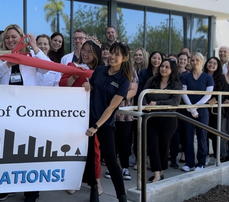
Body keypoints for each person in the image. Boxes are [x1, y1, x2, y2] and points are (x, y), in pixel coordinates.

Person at [0, 24, 48, 202]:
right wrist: (8, 63)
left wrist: (35, 47)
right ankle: (7, 186)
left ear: (21, 38)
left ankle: (31, 191)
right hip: (5, 111)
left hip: (29, 111)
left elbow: (46, 68)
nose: (11, 40)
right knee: (7, 150)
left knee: (29, 151)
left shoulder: (31, 56)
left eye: (14, 37)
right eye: (7, 37)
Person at [83, 42, 132, 202]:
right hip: (88, 121)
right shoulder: (99, 70)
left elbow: (112, 107)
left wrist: (97, 126)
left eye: (117, 54)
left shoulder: (124, 81)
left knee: (111, 159)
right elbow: (93, 86)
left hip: (104, 124)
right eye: (112, 52)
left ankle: (121, 196)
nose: (113, 56)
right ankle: (94, 190)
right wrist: (88, 85)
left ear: (124, 58)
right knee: (90, 158)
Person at [59, 40, 105, 195]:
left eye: (89, 51)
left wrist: (92, 87)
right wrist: (74, 76)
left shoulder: (102, 71)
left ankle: (96, 181)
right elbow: (62, 85)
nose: (85, 53)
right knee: (72, 147)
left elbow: (106, 91)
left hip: (94, 115)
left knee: (94, 149)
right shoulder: (73, 66)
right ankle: (73, 180)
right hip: (74, 114)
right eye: (83, 50)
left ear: (96, 53)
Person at [143, 58, 182, 182]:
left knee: (164, 146)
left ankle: (161, 170)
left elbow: (175, 101)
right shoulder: (152, 80)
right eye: (162, 66)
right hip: (151, 118)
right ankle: (156, 174)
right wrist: (145, 107)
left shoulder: (176, 84)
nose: (163, 69)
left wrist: (157, 103)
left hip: (168, 119)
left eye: (166, 67)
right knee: (153, 146)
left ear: (172, 70)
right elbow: (143, 94)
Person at [180, 52, 214, 172]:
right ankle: (190, 163)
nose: (195, 62)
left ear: (202, 61)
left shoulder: (208, 77)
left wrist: (195, 108)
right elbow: (183, 93)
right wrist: (191, 108)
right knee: (188, 137)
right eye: (193, 60)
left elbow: (208, 95)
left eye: (197, 60)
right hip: (188, 110)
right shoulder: (185, 77)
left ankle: (201, 163)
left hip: (202, 111)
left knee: (202, 137)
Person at [169, 51, 191, 168]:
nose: (182, 61)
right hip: (175, 106)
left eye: (184, 59)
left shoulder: (189, 74)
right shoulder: (173, 72)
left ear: (187, 61)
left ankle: (185, 155)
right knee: (175, 134)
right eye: (180, 59)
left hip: (185, 107)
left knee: (185, 134)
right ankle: (173, 159)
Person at [203, 56, 226, 164]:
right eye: (210, 62)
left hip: (214, 110)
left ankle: (217, 156)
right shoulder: (202, 75)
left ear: (218, 66)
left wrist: (211, 101)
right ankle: (206, 155)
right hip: (203, 108)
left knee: (215, 134)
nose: (211, 65)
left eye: (214, 63)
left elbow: (221, 93)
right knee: (204, 134)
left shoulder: (221, 78)